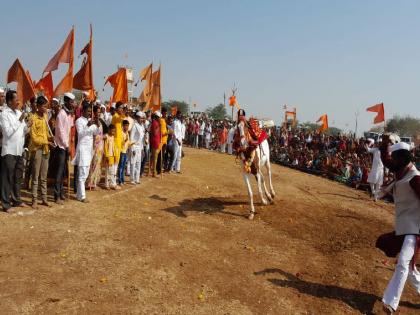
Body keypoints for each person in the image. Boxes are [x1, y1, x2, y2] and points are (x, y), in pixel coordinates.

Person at [379, 140, 420, 314]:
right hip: (405, 227)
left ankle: (390, 302)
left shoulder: (415, 178)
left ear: (402, 158)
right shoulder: (402, 171)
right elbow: (387, 161)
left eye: (394, 158)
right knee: (409, 269)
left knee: (403, 262)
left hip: (416, 229)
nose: (392, 161)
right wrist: (384, 145)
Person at [0, 90, 29, 212]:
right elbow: (7, 132)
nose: (18, 101)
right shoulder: (4, 114)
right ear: (10, 101)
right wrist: (19, 121)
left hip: (19, 150)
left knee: (17, 177)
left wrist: (28, 126)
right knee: (7, 177)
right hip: (9, 151)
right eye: (16, 99)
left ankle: (17, 200)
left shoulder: (19, 113)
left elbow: (22, 131)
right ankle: (6, 203)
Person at [29, 96, 54, 208]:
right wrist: (47, 142)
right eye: (44, 106)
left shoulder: (44, 117)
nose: (45, 108)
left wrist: (50, 138)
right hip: (37, 149)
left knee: (44, 176)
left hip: (45, 149)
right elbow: (34, 138)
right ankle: (34, 199)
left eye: (46, 106)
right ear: (38, 106)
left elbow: (45, 133)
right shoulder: (32, 118)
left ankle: (43, 198)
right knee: (35, 175)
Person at [72, 102, 99, 202]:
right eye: (87, 111)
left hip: (89, 150)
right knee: (82, 173)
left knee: (86, 173)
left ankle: (79, 195)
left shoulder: (90, 120)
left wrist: (97, 123)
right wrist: (88, 125)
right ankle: (82, 196)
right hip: (82, 149)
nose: (89, 113)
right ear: (83, 111)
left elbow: (96, 132)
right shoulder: (79, 121)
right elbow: (80, 133)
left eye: (90, 111)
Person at [53, 92, 74, 204]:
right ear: (66, 102)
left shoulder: (68, 114)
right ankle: (56, 195)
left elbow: (69, 129)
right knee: (59, 172)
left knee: (63, 171)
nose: (73, 104)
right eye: (71, 102)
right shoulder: (61, 114)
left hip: (65, 146)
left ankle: (61, 193)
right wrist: (66, 145)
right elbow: (60, 132)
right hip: (61, 146)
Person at [87, 105, 106, 190]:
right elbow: (92, 135)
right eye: (97, 112)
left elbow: (101, 133)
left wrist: (103, 137)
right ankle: (90, 183)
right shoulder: (91, 121)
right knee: (93, 164)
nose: (98, 114)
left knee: (97, 164)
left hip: (100, 147)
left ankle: (94, 182)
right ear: (93, 112)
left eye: (99, 112)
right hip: (94, 146)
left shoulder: (100, 122)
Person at [130, 111, 145, 184]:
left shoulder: (142, 126)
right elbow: (131, 138)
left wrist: (142, 149)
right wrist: (132, 148)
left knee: (138, 163)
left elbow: (142, 139)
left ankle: (137, 179)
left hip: (140, 146)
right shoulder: (134, 126)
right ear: (137, 118)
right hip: (134, 146)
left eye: (142, 118)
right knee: (133, 163)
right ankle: (132, 179)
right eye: (140, 118)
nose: (141, 120)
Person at [104, 124, 119, 190]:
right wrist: (106, 156)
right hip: (108, 156)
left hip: (113, 156)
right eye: (112, 131)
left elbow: (114, 147)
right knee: (108, 170)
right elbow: (105, 147)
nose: (113, 133)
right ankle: (106, 184)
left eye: (114, 131)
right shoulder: (106, 137)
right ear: (109, 130)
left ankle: (111, 184)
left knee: (112, 171)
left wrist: (115, 155)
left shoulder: (113, 137)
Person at [118, 120, 130, 185]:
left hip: (125, 151)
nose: (127, 127)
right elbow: (120, 143)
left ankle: (122, 179)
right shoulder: (121, 133)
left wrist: (131, 144)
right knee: (121, 166)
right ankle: (120, 180)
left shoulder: (127, 133)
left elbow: (128, 142)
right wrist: (125, 140)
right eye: (126, 125)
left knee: (124, 166)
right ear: (123, 126)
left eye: (128, 125)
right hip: (122, 151)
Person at [149, 111, 161, 177]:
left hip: (156, 140)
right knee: (155, 157)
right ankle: (154, 172)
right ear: (157, 117)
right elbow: (155, 133)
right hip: (155, 141)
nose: (160, 119)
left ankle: (150, 170)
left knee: (153, 156)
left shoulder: (155, 122)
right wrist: (159, 126)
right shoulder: (155, 123)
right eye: (159, 117)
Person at [157, 107, 168, 174]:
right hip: (161, 140)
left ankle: (160, 168)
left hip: (165, 140)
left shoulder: (164, 120)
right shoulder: (161, 120)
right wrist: (167, 133)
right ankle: (158, 169)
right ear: (162, 113)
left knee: (162, 156)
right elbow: (161, 132)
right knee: (159, 156)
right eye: (165, 113)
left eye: (166, 113)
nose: (166, 114)